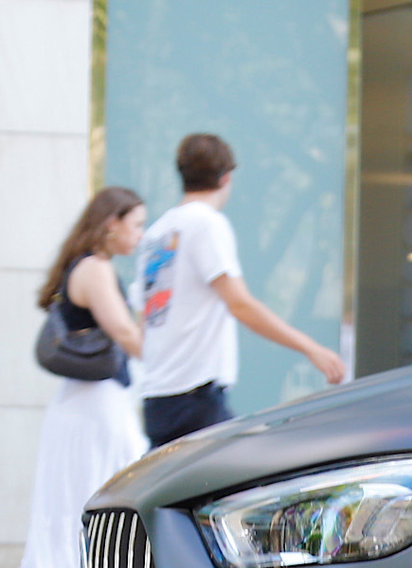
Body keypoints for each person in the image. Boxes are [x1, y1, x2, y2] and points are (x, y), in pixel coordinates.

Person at [134, 133, 344, 447]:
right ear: (226, 177)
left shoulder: (156, 234)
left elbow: (145, 319)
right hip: (196, 395)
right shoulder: (206, 224)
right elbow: (240, 305)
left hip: (158, 398)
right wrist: (310, 347)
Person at [20, 187, 149, 568]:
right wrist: (171, 359)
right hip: (94, 407)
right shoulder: (94, 268)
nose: (139, 235)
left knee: (73, 504)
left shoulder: (88, 267)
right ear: (110, 223)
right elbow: (122, 331)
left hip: (85, 405)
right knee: (101, 503)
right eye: (135, 224)